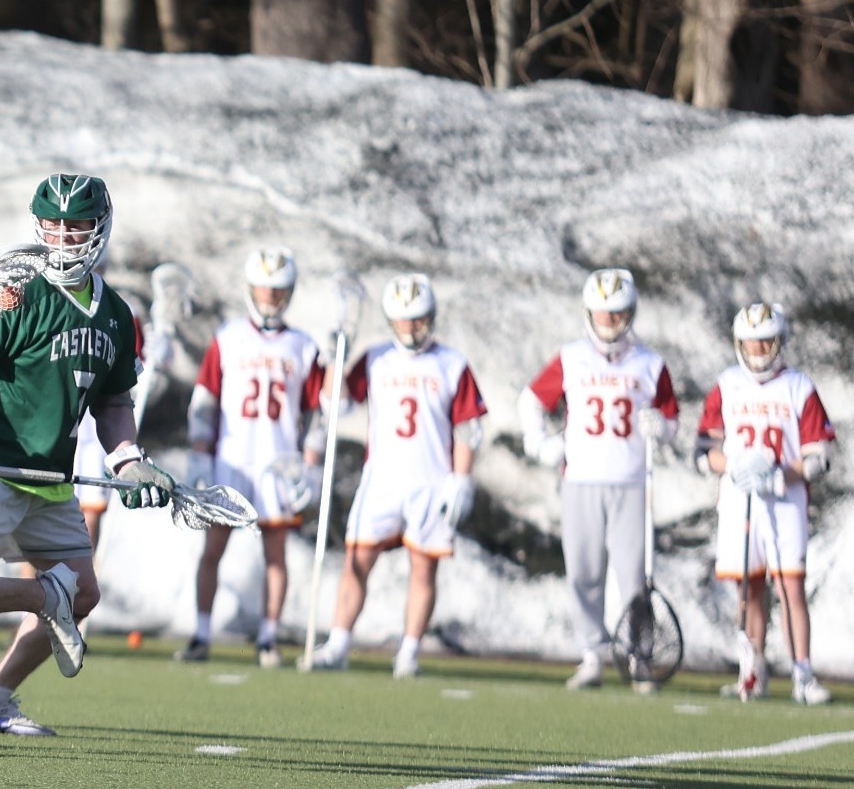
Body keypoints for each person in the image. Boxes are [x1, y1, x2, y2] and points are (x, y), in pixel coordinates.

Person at [0, 174, 173, 737]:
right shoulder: (14, 291)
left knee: (82, 594)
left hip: (49, 476)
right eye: (51, 225)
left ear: (99, 229)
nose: (62, 237)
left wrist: (128, 457)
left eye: (75, 225)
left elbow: (112, 401)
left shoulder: (116, 315)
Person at [310, 273, 483, 679]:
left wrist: (462, 478)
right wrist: (338, 354)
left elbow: (468, 427)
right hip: (382, 478)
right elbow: (334, 403)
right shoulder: (376, 357)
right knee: (357, 559)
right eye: (404, 320)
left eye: (419, 319)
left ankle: (409, 652)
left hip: (431, 480)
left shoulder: (451, 363)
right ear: (391, 321)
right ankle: (338, 643)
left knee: (424, 568)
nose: (412, 327)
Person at [518, 269, 679, 691]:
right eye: (603, 314)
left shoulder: (650, 363)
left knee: (633, 576)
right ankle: (591, 653)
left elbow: (673, 422)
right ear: (589, 313)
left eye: (617, 314)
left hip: (629, 479)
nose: (609, 322)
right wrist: (542, 445)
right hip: (582, 479)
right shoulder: (571, 357)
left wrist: (659, 427)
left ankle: (638, 656)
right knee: (583, 572)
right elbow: (531, 402)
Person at [180, 247, 325, 669]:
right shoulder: (228, 337)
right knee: (213, 549)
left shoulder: (304, 346)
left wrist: (311, 463)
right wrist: (199, 452)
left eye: (278, 291)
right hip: (232, 459)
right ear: (250, 290)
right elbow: (205, 400)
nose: (270, 298)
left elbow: (319, 410)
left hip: (279, 462)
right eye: (264, 290)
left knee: (276, 555)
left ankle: (268, 638)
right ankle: (202, 633)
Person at [696, 303, 835, 705]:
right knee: (748, 589)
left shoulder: (798, 386)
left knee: (791, 585)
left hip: (784, 500)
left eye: (766, 342)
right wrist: (734, 465)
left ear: (780, 342)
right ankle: (751, 672)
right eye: (751, 343)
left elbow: (818, 454)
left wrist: (780, 475)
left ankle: (803, 674)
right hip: (740, 501)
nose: (758, 352)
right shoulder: (726, 384)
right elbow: (704, 451)